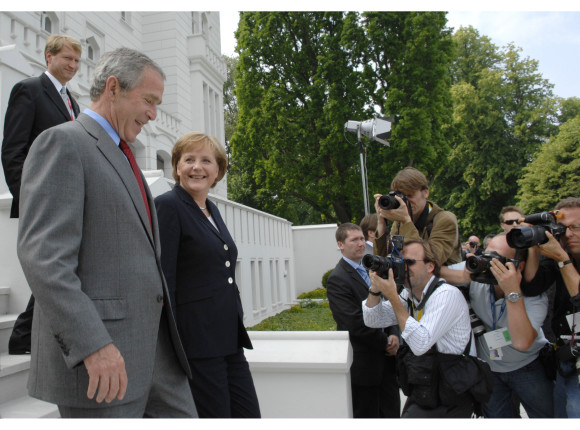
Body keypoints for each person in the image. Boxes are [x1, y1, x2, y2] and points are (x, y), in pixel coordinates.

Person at [16, 47, 197, 418]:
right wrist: (92, 345)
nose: (153, 114)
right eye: (148, 100)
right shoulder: (63, 143)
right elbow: (45, 260)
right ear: (113, 87)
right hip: (103, 362)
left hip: (159, 358)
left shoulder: (124, 154)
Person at [154, 131, 260, 418]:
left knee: (249, 415)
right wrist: (172, 345)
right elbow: (165, 280)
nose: (196, 167)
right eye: (188, 159)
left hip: (228, 337)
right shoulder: (168, 206)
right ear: (176, 167)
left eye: (206, 161)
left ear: (218, 172)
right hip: (197, 342)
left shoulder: (211, 209)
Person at [2, 34, 81, 355]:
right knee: (52, 268)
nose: (73, 66)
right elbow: (12, 151)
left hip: (69, 203)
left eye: (77, 61)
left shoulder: (73, 102)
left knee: (61, 268)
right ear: (49, 56)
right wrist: (29, 199)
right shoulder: (29, 91)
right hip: (42, 202)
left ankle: (27, 336)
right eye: (67, 59)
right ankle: (23, 336)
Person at [441, 233, 554, 418]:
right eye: (486, 255)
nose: (488, 263)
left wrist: (512, 292)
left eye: (497, 259)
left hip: (528, 366)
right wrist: (464, 276)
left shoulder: (534, 295)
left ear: (520, 266)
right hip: (490, 369)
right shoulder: (480, 273)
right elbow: (435, 271)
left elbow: (522, 342)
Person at [363, 239, 474, 418]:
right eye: (398, 262)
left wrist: (392, 296)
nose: (403, 268)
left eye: (409, 262)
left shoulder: (446, 295)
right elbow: (372, 319)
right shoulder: (409, 294)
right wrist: (375, 289)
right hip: (426, 386)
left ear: (430, 266)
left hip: (451, 390)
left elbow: (421, 343)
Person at [326, 223, 400, 418]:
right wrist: (385, 342)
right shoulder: (338, 279)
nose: (360, 244)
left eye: (361, 239)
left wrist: (394, 334)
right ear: (340, 244)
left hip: (388, 364)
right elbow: (353, 322)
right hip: (365, 366)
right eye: (354, 240)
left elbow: (388, 304)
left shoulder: (372, 270)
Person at [520, 197, 580, 418]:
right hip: (565, 355)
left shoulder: (561, 255)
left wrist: (563, 259)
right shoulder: (559, 250)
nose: (569, 234)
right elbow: (532, 286)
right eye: (564, 228)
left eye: (575, 227)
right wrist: (534, 245)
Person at [373, 167, 461, 266]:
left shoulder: (445, 220)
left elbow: (430, 262)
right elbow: (383, 262)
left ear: (426, 192)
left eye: (409, 196)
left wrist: (406, 221)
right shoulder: (400, 222)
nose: (405, 202)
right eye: (401, 197)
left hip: (444, 280)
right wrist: (381, 222)